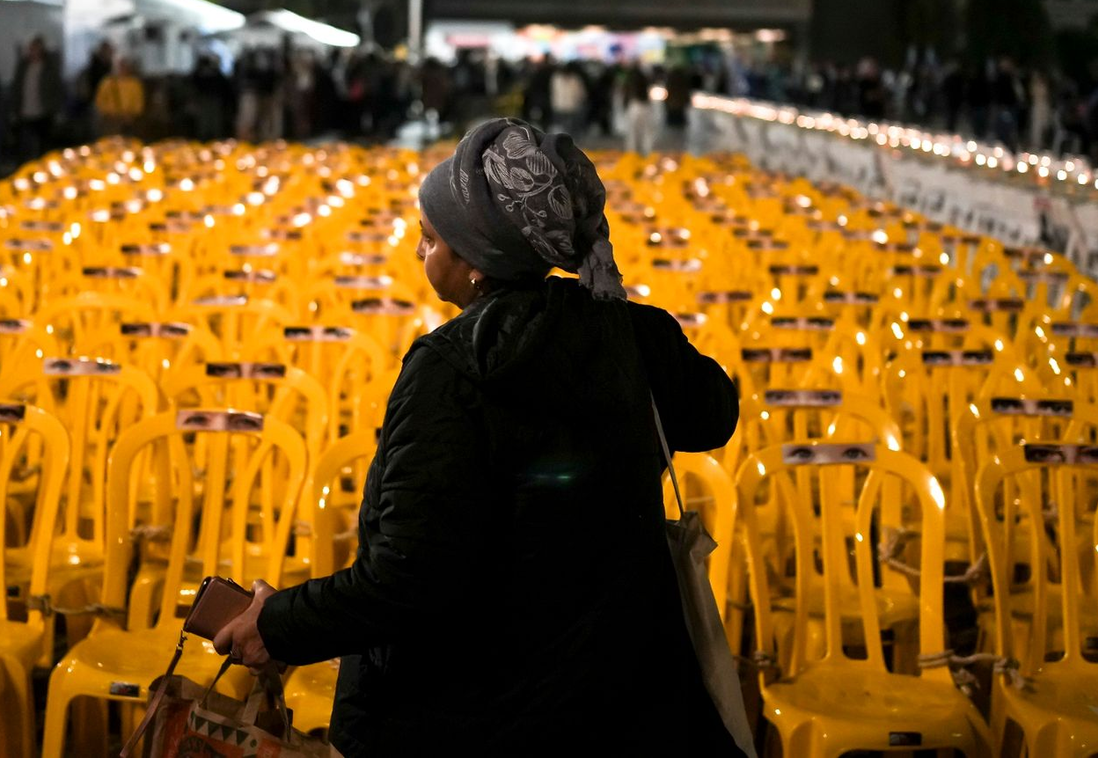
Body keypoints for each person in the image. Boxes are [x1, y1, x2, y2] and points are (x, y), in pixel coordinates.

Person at [214, 117, 742, 757]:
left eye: (430, 238)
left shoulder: (450, 371)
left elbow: (410, 577)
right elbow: (714, 413)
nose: (419, 252)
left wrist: (279, 622)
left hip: (474, 715)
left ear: (475, 262)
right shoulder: (632, 334)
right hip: (623, 700)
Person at [9, 35, 64, 162]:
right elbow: (16, 88)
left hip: (43, 113)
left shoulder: (50, 68)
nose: (33, 51)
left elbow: (58, 89)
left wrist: (56, 109)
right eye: (31, 48)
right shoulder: (23, 66)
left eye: (36, 48)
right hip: (25, 113)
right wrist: (14, 109)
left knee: (43, 147)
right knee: (24, 148)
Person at [93, 56, 145, 137]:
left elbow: (138, 103)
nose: (122, 68)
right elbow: (99, 101)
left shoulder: (134, 83)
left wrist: (131, 115)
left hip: (129, 120)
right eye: (120, 66)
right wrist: (109, 114)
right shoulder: (107, 83)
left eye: (125, 65)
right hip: (110, 120)